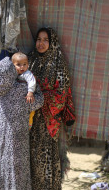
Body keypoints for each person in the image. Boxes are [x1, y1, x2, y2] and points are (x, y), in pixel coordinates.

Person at [28, 27, 76, 190]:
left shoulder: (58, 62)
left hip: (48, 122)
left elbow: (62, 93)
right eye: (38, 39)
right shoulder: (30, 59)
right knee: (30, 159)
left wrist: (40, 98)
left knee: (46, 160)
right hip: (29, 120)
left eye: (45, 40)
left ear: (52, 42)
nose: (41, 43)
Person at [0, 56, 44, 190]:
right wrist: (36, 91)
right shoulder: (21, 89)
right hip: (18, 138)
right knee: (18, 169)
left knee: (2, 165)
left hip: (1, 138)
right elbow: (39, 101)